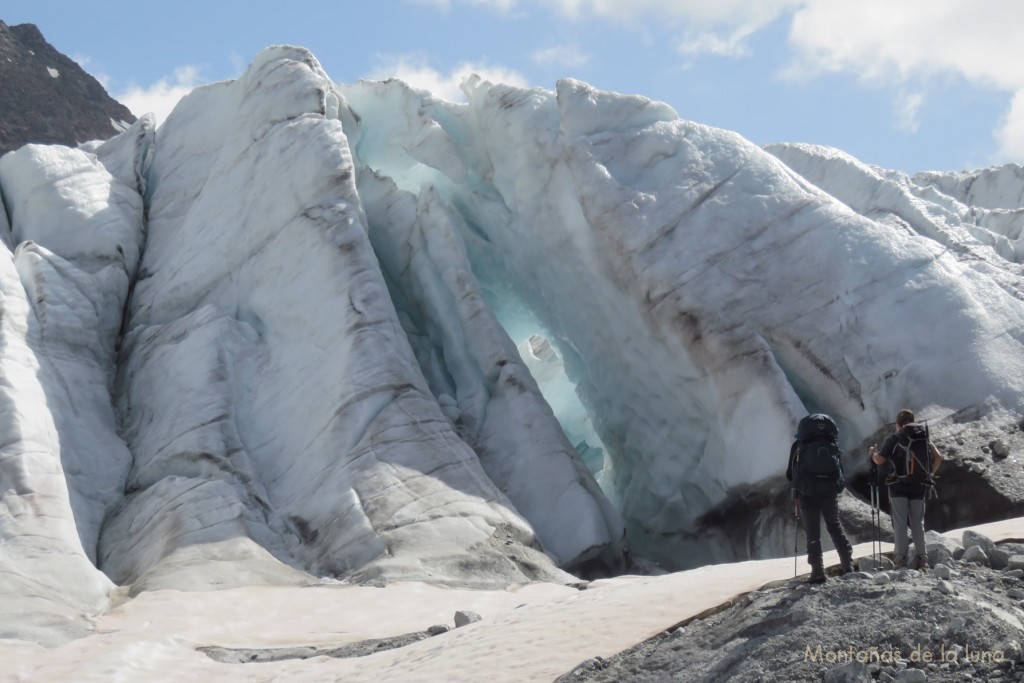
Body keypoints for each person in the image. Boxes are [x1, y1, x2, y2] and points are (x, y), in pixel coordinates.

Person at [870, 408, 942, 570]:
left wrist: (873, 454)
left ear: (898, 423)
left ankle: (900, 559)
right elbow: (938, 456)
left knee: (900, 523)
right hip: (919, 486)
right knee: (918, 523)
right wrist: (929, 474)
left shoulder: (895, 437)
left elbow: (880, 461)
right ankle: (921, 559)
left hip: (898, 486)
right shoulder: (923, 436)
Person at [786, 413, 854, 584]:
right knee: (835, 526)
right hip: (829, 493)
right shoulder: (832, 444)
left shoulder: (799, 445)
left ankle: (818, 572)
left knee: (813, 533)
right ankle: (848, 566)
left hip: (808, 494)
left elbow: (790, 473)